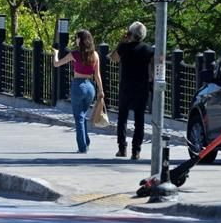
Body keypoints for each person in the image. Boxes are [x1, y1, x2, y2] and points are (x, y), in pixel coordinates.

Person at [53, 29, 104, 153]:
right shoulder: (95, 55)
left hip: (78, 85)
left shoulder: (74, 54)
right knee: (83, 115)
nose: (76, 40)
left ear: (81, 40)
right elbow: (97, 75)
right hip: (90, 87)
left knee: (78, 117)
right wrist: (101, 91)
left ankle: (82, 147)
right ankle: (86, 140)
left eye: (77, 38)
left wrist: (55, 53)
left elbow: (56, 64)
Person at [109, 21, 154, 160]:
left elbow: (113, 58)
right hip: (142, 86)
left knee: (122, 118)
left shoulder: (124, 47)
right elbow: (153, 68)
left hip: (126, 86)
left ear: (130, 34)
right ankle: (136, 151)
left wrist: (121, 42)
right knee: (139, 119)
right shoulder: (148, 49)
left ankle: (122, 148)